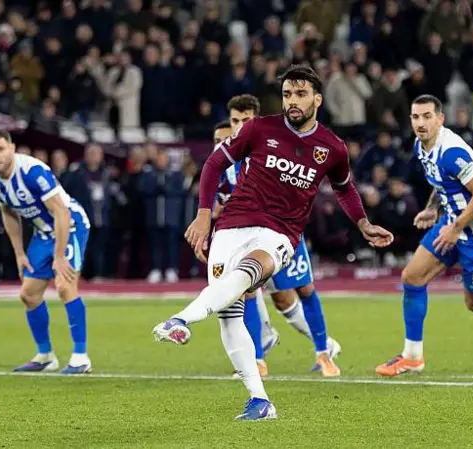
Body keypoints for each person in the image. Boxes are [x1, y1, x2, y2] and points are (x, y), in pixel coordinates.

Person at [152, 65, 393, 421]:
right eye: (287, 95)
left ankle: (180, 318)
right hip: (231, 226)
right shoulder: (259, 128)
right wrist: (204, 214)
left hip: (279, 233)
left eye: (300, 95)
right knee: (229, 314)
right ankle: (259, 400)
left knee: (251, 275)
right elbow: (214, 163)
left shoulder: (332, 147)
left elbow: (344, 188)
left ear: (317, 99)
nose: (292, 102)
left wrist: (362, 223)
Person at [376, 95, 473, 377]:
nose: (420, 123)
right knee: (412, 277)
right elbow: (441, 182)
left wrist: (456, 228)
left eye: (426, 116)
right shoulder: (421, 147)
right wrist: (432, 209)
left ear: (440, 119)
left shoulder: (452, 152)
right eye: (415, 117)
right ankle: (412, 357)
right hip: (450, 222)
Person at [222, 95, 342, 377]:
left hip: (284, 232)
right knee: (248, 291)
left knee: (304, 290)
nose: (240, 125)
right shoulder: (228, 156)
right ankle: (258, 361)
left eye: (246, 119)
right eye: (235, 120)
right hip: (250, 235)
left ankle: (324, 352)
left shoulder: (279, 146)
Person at [0, 130, 92, 374]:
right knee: (29, 295)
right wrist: (19, 253)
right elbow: (8, 213)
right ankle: (45, 356)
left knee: (65, 285)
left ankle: (81, 357)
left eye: (1, 149)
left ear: (12, 148)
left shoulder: (32, 172)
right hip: (43, 234)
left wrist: (59, 256)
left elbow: (61, 212)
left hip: (70, 225)